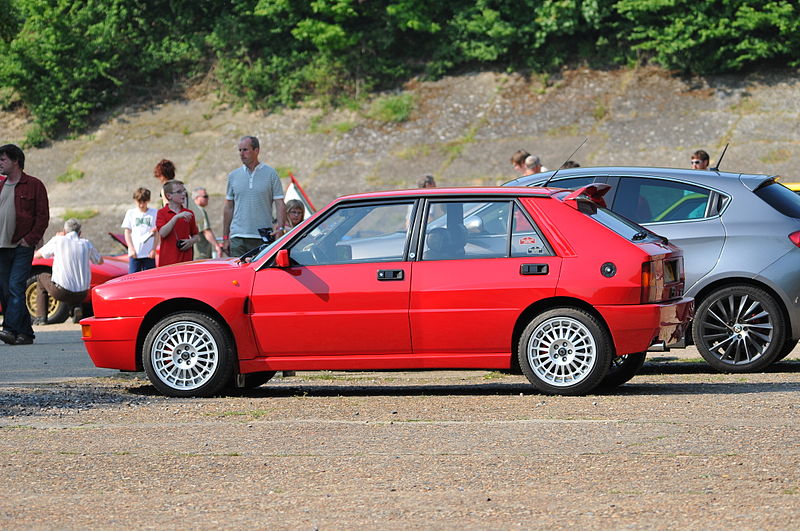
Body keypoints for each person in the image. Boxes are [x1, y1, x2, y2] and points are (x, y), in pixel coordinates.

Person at [0, 144, 49, 345]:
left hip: (21, 246)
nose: (0, 163)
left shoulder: (34, 185)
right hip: (1, 247)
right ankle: (25, 333)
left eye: (3, 159)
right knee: (5, 290)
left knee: (15, 286)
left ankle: (9, 329)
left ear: (15, 161)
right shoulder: (0, 185)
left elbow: (43, 216)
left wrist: (30, 239)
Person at [222, 136, 285, 256]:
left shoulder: (271, 174)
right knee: (237, 274)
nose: (241, 154)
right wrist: (225, 237)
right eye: (239, 150)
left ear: (256, 150)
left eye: (245, 150)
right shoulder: (233, 176)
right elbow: (228, 207)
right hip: (238, 237)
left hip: (262, 236)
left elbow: (280, 203)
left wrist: (280, 229)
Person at [33, 218, 103, 325]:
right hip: (82, 294)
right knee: (76, 282)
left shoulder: (58, 240)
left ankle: (41, 317)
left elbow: (38, 255)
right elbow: (100, 261)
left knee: (41, 277)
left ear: (64, 231)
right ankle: (75, 308)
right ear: (79, 233)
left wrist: (57, 238)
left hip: (62, 292)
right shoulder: (86, 244)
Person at [156, 180, 199, 266]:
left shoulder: (189, 213)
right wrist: (176, 217)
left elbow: (196, 235)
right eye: (179, 192)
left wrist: (191, 241)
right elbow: (162, 233)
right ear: (169, 196)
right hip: (168, 261)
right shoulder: (162, 212)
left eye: (184, 191)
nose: (183, 194)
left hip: (186, 260)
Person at [121, 187, 159, 273]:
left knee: (150, 278)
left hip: (149, 253)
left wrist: (153, 249)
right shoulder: (131, 213)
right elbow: (127, 232)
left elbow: (157, 233)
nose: (141, 205)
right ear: (135, 201)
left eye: (144, 202)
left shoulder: (154, 213)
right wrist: (131, 248)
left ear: (148, 201)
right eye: (139, 202)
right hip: (135, 253)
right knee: (132, 278)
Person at [189, 187, 223, 259]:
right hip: (201, 253)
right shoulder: (199, 210)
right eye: (205, 196)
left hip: (193, 253)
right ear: (196, 198)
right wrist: (217, 246)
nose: (207, 198)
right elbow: (206, 231)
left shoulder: (190, 210)